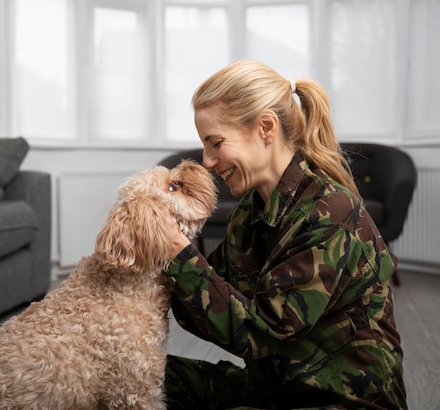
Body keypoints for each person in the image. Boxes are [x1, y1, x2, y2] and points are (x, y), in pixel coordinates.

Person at [164, 60, 407, 410]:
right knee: (130, 377)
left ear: (266, 127)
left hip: (340, 401)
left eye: (216, 143)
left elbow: (260, 332)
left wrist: (177, 251)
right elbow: (208, 301)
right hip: (276, 389)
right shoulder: (251, 212)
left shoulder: (332, 215)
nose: (208, 161)